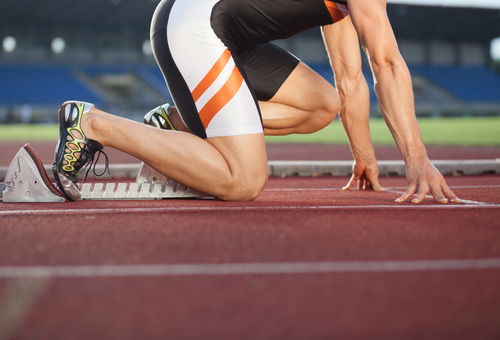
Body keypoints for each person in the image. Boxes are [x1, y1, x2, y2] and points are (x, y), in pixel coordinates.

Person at [53, 0, 460, 204]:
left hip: (225, 34)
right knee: (243, 180)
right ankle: (94, 124)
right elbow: (385, 63)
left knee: (321, 103)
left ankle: (178, 124)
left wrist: (365, 157)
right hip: (198, 26)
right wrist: (417, 157)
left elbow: (350, 79)